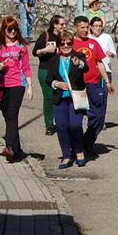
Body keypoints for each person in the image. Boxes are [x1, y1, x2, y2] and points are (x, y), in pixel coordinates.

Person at [0, 17, 34, 162]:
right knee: (9, 118)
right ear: (4, 30)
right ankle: (17, 150)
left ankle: (9, 146)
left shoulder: (22, 47)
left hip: (18, 83)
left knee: (12, 114)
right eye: (10, 29)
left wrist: (30, 86)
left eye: (15, 29)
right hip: (2, 85)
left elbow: (26, 67)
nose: (13, 32)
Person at [70, 16, 111, 157]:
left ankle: (87, 142)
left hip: (93, 84)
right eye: (82, 27)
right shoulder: (69, 43)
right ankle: (76, 146)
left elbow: (99, 63)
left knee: (99, 115)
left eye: (87, 27)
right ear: (75, 28)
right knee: (77, 118)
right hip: (77, 86)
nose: (86, 30)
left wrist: (107, 81)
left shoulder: (93, 43)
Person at [49, 34, 89, 169]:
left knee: (75, 125)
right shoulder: (54, 60)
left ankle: (79, 152)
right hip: (60, 98)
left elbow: (86, 67)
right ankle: (66, 155)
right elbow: (48, 79)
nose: (66, 46)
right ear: (59, 45)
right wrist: (56, 84)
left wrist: (80, 64)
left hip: (76, 98)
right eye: (63, 43)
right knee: (61, 127)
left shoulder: (78, 57)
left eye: (68, 43)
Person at [33, 16, 66, 136]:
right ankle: (49, 125)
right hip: (45, 70)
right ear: (55, 25)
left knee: (60, 97)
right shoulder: (46, 36)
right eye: (61, 24)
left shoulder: (63, 37)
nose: (63, 27)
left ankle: (61, 122)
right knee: (48, 97)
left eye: (64, 24)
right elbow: (35, 52)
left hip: (60, 70)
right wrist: (45, 50)